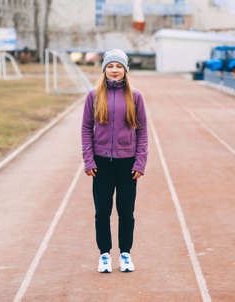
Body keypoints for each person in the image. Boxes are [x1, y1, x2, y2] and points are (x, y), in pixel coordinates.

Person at [81, 49, 148, 273]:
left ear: (125, 70)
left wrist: (140, 162)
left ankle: (126, 254)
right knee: (102, 211)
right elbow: (85, 128)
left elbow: (143, 132)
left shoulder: (135, 96)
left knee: (126, 211)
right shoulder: (93, 95)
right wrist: (88, 159)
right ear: (104, 69)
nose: (115, 70)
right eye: (110, 66)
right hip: (101, 164)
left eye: (119, 66)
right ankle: (104, 255)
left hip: (127, 164)